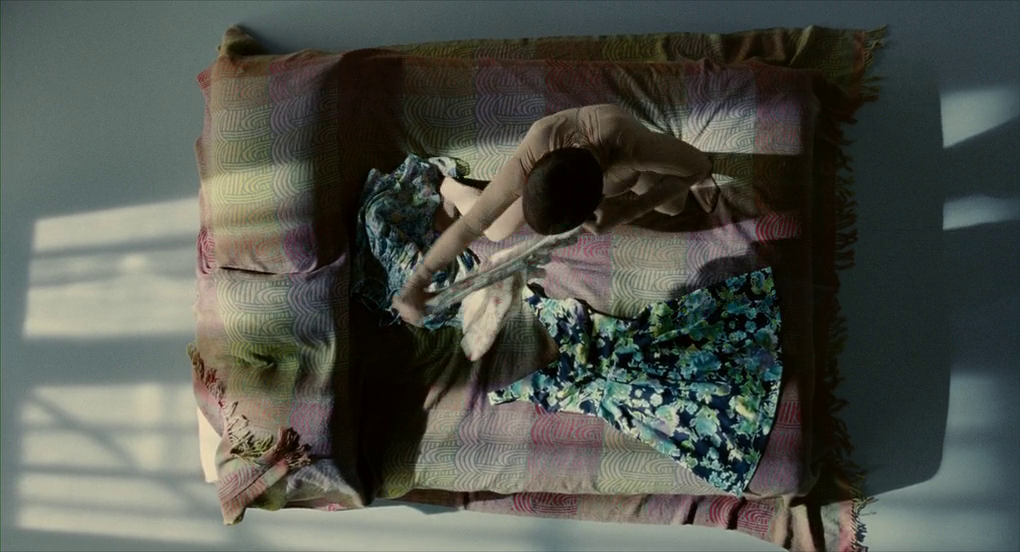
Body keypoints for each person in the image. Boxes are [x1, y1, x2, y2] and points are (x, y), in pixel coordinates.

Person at [394, 103, 716, 327]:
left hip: (622, 163)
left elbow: (700, 166)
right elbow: (472, 224)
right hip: (566, 172)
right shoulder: (534, 148)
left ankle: (662, 169)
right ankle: (452, 188)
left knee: (673, 206)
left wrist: (627, 211)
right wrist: (418, 281)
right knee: (494, 231)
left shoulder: (630, 147)